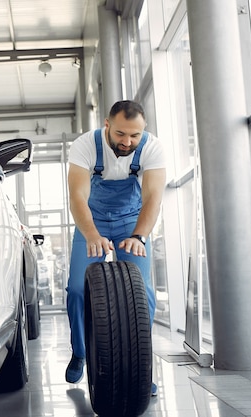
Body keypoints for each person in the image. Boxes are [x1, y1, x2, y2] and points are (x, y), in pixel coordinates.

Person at [65, 100, 166, 394]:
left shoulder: (152, 147)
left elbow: (152, 199)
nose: (128, 142)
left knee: (143, 293)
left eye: (135, 135)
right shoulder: (85, 145)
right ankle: (80, 352)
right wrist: (92, 234)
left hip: (131, 223)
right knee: (76, 289)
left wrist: (140, 236)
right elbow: (77, 197)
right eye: (121, 134)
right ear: (107, 125)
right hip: (91, 223)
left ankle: (139, 369)